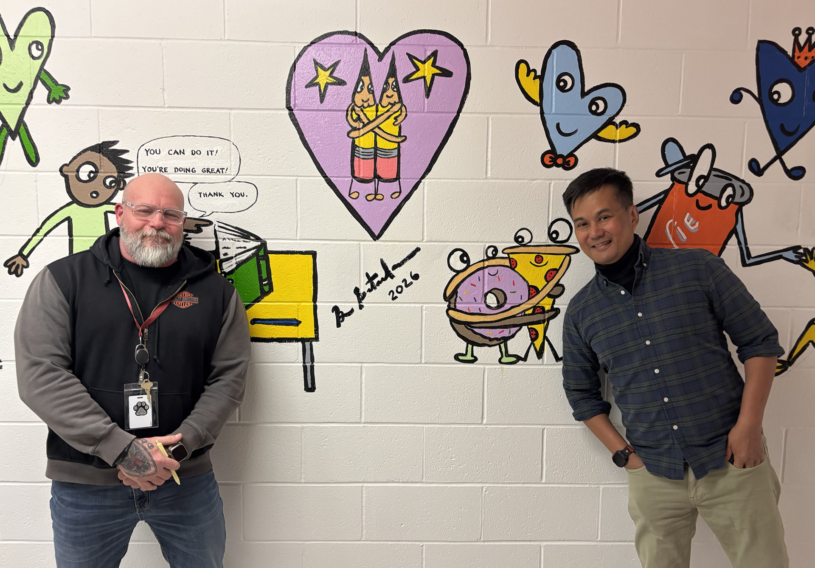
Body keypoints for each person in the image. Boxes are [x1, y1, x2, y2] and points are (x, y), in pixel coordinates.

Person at [15, 173, 251, 568]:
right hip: (85, 484)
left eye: (170, 214)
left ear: (182, 223)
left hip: (184, 478)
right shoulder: (62, 280)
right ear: (120, 213)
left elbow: (229, 380)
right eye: (144, 211)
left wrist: (176, 448)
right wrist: (123, 451)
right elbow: (41, 376)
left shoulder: (218, 294)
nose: (157, 223)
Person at [560, 168, 788, 568]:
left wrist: (749, 427)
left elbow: (760, 342)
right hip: (654, 475)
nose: (594, 231)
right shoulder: (581, 313)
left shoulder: (698, 269)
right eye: (582, 223)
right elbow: (581, 395)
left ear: (632, 215)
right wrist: (624, 457)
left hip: (733, 460)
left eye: (604, 216)